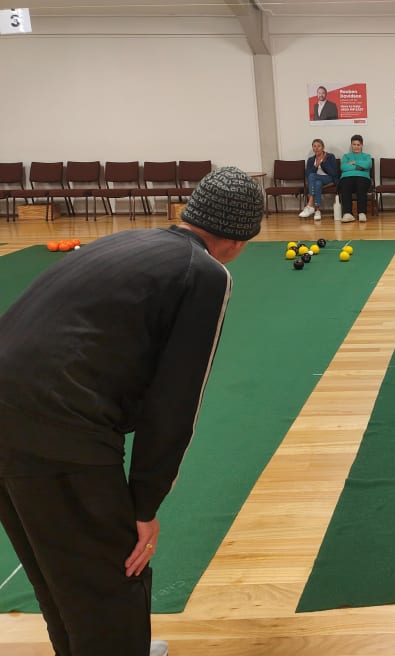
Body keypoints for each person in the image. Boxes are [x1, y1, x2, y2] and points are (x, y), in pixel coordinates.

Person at [0, 167, 264, 656]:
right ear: (238, 240)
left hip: (12, 408)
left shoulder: (126, 241)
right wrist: (144, 507)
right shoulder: (205, 273)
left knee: (57, 573)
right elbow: (175, 401)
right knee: (111, 577)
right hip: (58, 423)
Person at [299, 138, 340, 221]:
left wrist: (324, 163)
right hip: (317, 180)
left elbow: (334, 173)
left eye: (319, 146)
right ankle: (317, 211)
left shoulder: (330, 156)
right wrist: (316, 166)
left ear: (323, 147)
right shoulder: (311, 160)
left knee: (312, 176)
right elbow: (308, 174)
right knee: (317, 183)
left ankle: (310, 204)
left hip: (329, 179)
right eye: (314, 146)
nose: (316, 148)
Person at [338, 134, 372, 223]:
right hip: (347, 178)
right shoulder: (346, 156)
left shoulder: (366, 156)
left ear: (361, 145)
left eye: (358, 144)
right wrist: (359, 167)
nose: (356, 146)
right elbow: (343, 167)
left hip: (363, 178)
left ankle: (362, 213)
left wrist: (354, 162)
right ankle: (347, 214)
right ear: (351, 145)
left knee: (361, 185)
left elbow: (367, 165)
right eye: (354, 144)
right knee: (345, 184)